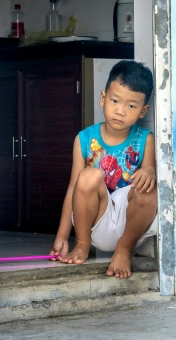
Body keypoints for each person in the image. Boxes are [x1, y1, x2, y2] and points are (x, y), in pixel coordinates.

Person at [50, 60, 157, 278]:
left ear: (143, 111)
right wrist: (62, 236)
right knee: (88, 176)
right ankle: (82, 244)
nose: (120, 111)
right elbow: (73, 188)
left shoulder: (145, 139)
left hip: (131, 224)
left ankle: (124, 250)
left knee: (150, 187)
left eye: (131, 106)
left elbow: (148, 170)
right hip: (96, 220)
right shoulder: (84, 139)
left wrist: (150, 171)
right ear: (103, 98)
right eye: (115, 100)